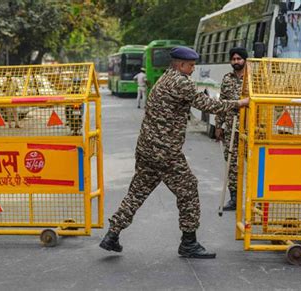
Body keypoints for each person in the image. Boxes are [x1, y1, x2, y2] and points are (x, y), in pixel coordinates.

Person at [99, 46, 249, 259]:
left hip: (147, 148)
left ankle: (112, 235)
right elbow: (207, 104)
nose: (193, 70)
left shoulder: (164, 78)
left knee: (137, 192)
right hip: (165, 151)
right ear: (180, 65)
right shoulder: (180, 81)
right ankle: (189, 242)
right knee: (188, 189)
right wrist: (240, 103)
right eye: (190, 66)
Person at [215, 47, 248, 211]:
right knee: (231, 164)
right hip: (231, 125)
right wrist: (218, 125)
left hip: (250, 127)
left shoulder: (253, 78)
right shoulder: (227, 79)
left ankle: (255, 198)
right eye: (233, 59)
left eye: (239, 59)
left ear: (245, 60)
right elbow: (221, 103)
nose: (236, 62)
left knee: (255, 163)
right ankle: (234, 198)